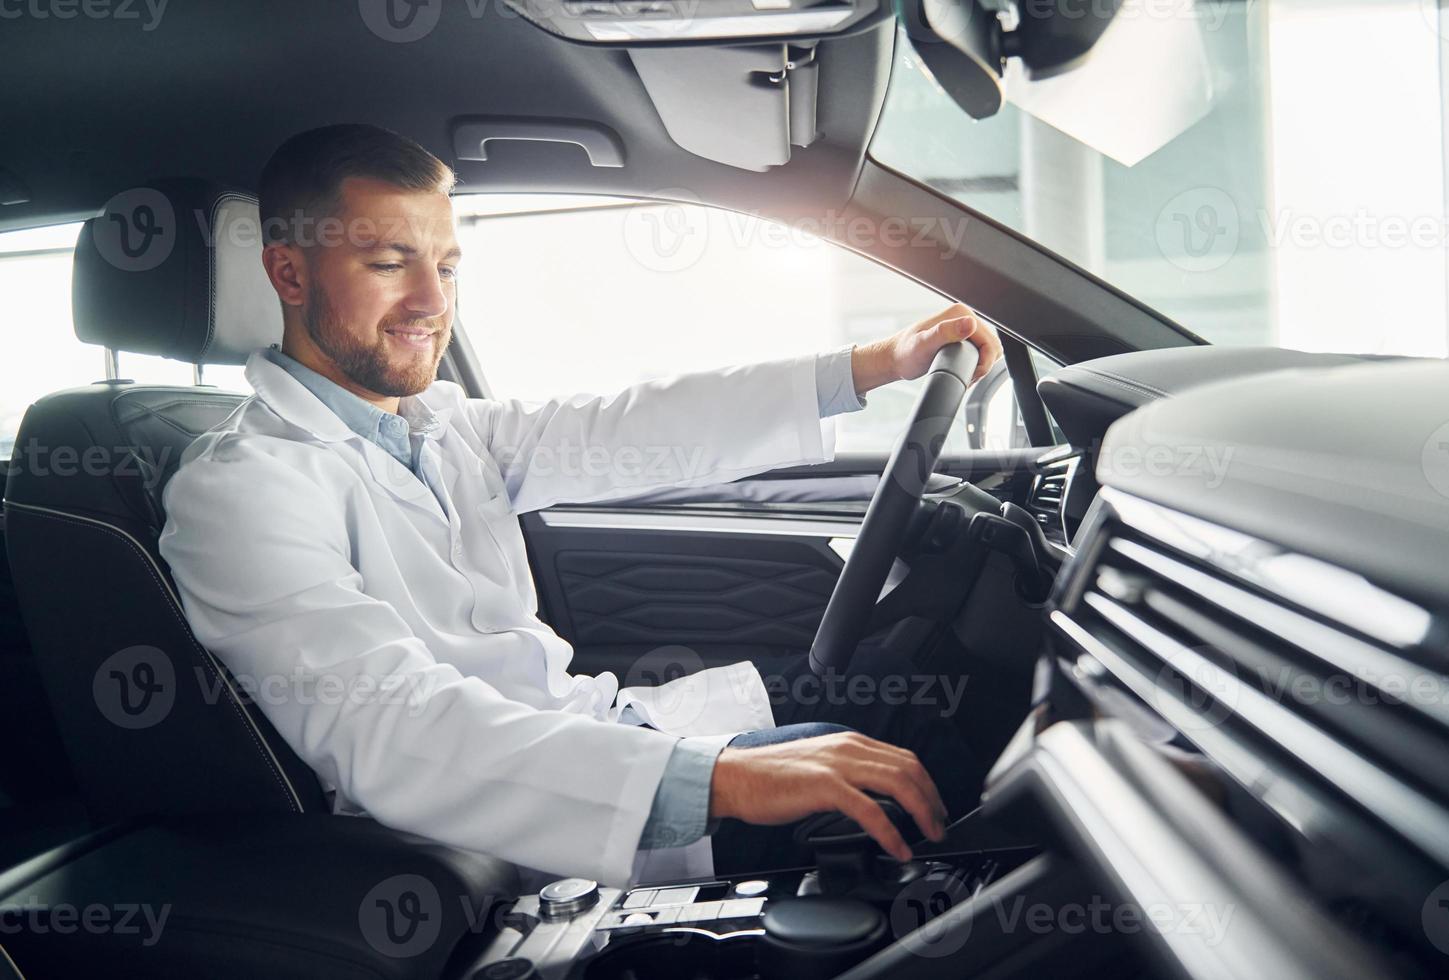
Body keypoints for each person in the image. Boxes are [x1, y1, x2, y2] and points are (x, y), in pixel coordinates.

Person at [159, 123, 1001, 888]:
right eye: (388, 263)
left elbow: (630, 426)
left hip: (591, 733)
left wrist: (876, 363)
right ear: (288, 273)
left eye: (445, 266)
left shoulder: (440, 427)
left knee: (907, 691)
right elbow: (391, 729)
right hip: (514, 815)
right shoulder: (241, 486)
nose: (432, 301)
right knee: (879, 794)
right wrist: (724, 778)